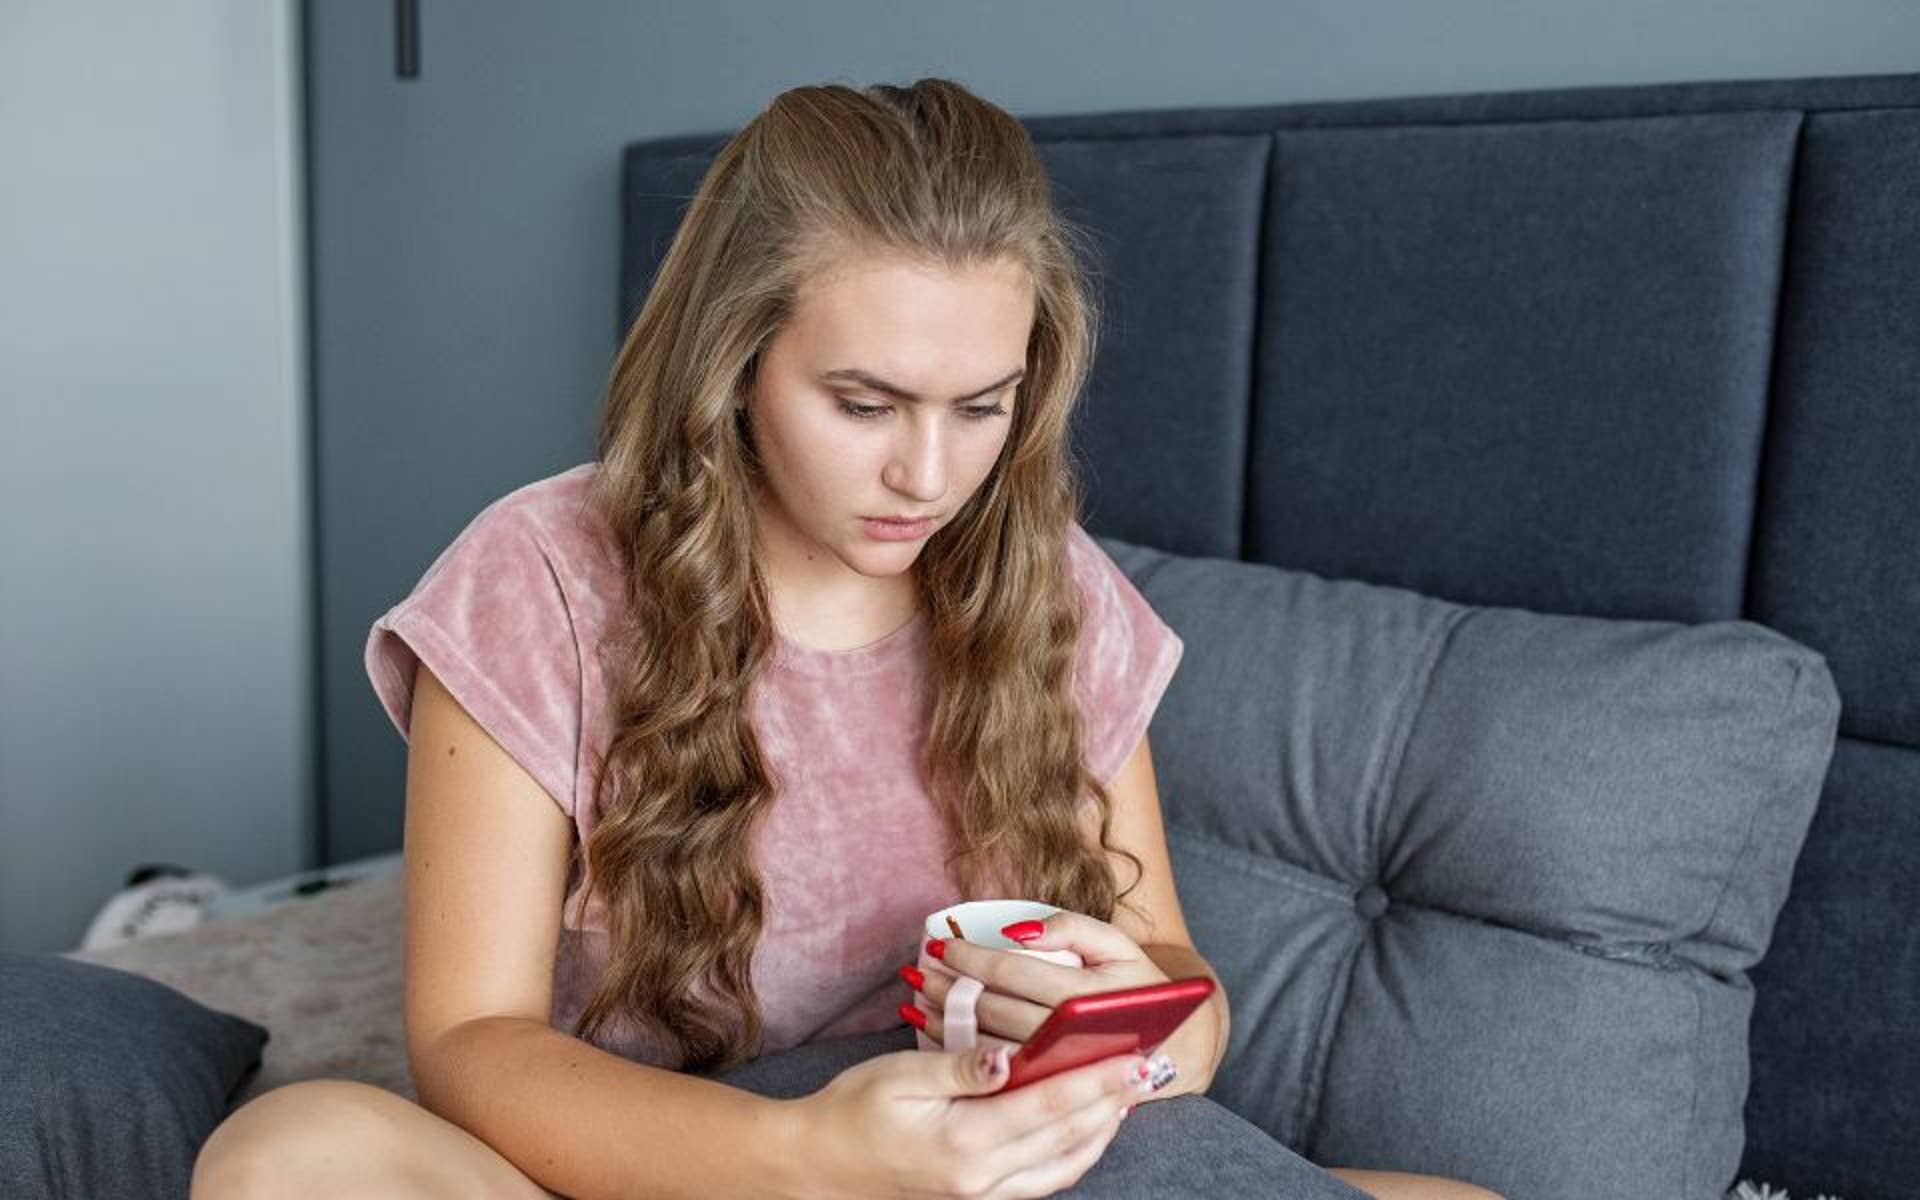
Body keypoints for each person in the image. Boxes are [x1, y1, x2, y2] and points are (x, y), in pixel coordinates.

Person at [191, 78, 1502, 1200]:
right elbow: (470, 1040)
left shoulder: (1050, 587)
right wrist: (800, 1152)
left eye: (982, 407)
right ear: (736, 360)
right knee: (291, 1156)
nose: (929, 477)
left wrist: (1138, 1028)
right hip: (684, 1166)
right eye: (864, 403)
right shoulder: (537, 577)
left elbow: (1180, 992)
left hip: (967, 1172)